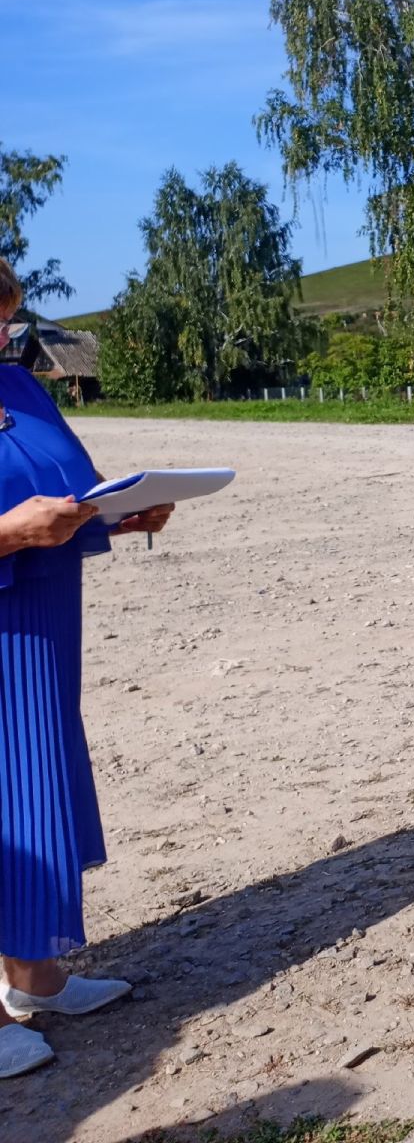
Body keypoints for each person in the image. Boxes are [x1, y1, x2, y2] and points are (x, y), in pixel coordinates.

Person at [0, 262, 174, 1079]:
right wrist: (8, 532)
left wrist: (116, 515)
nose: (1, 334)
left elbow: (63, 501)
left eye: (3, 316)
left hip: (40, 621)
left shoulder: (21, 387)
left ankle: (34, 981)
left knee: (36, 792)